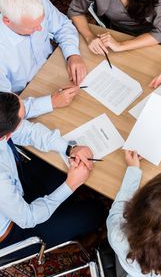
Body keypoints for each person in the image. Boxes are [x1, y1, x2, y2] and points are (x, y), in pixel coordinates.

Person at [0, 92, 105, 252]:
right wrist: (70, 185)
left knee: (61, 171)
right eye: (22, 119)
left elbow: (28, 132)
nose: (26, 119)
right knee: (95, 211)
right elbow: (28, 217)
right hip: (14, 229)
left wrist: (70, 148)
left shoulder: (3, 126)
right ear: (6, 137)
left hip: (15, 187)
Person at [0, 0, 87, 119]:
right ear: (7, 21)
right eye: (32, 27)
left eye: (41, 22)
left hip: (52, 66)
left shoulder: (38, 3)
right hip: (23, 96)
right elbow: (3, 109)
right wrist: (50, 103)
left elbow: (63, 26)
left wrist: (72, 54)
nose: (40, 29)